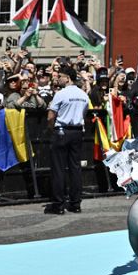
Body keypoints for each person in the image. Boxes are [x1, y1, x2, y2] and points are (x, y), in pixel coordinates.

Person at [44, 65, 89, 215]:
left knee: (58, 169)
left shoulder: (61, 94)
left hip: (62, 131)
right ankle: (75, 203)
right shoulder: (83, 94)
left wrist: (52, 129)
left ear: (67, 78)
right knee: (75, 168)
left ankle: (58, 204)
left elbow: (51, 116)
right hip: (77, 132)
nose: (58, 79)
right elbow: (85, 113)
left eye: (60, 76)